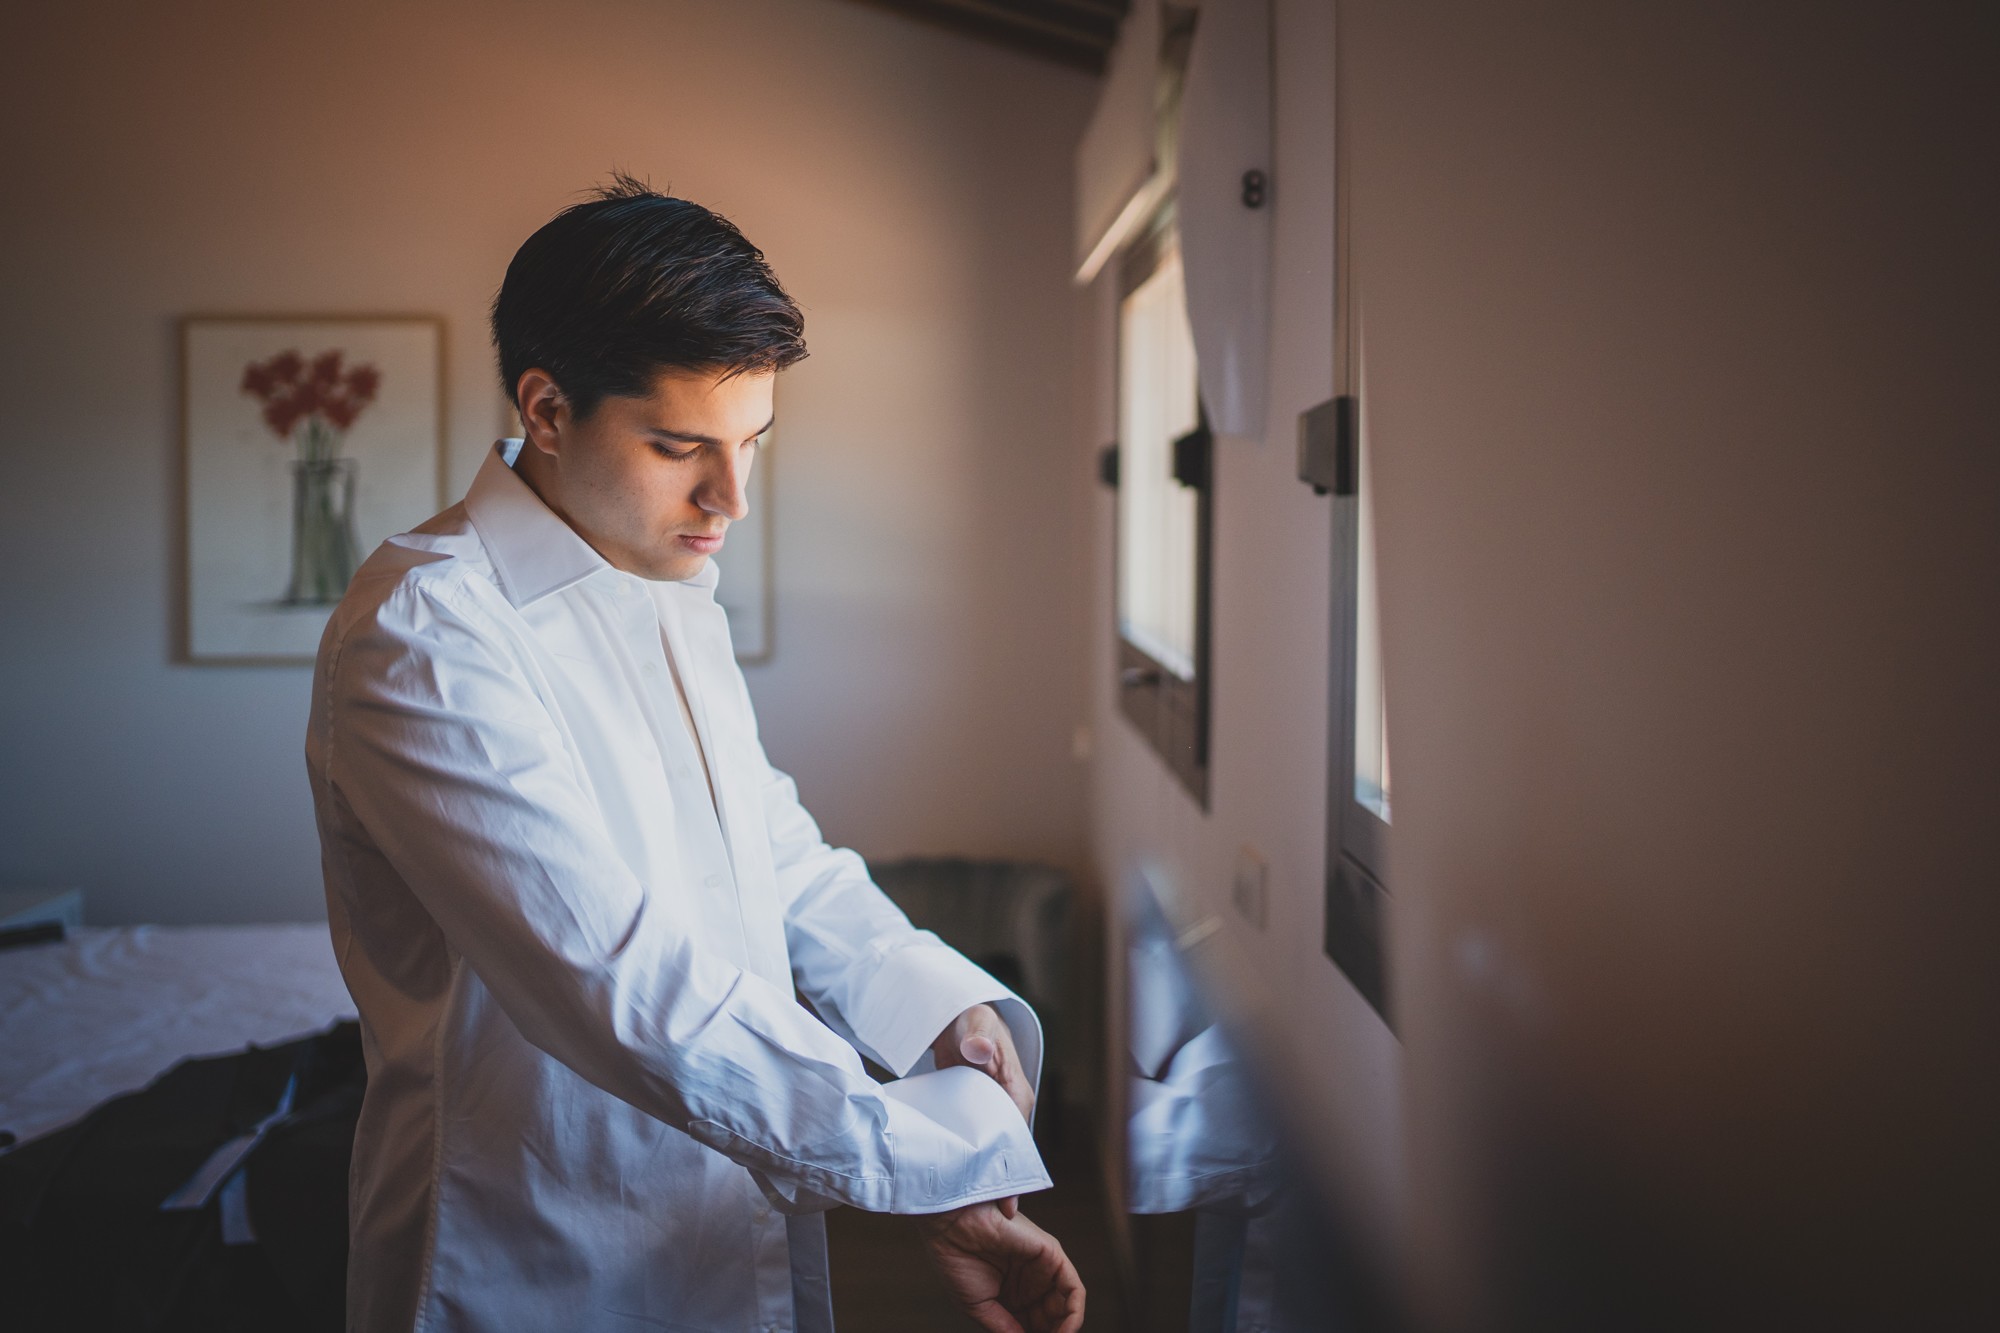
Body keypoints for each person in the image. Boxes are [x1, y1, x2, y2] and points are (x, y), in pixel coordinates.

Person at [304, 177, 1087, 1333]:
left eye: (751, 443)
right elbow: (615, 982)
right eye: (680, 447)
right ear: (548, 407)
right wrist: (925, 1162)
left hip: (728, 1231)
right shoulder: (424, 637)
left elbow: (770, 855)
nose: (730, 498)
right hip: (533, 1256)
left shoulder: (667, 589)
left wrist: (933, 1011)